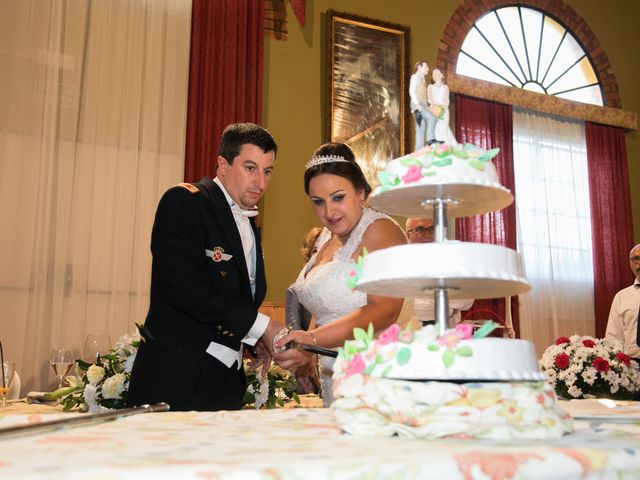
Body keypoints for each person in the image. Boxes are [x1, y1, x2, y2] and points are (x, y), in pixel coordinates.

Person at [127, 123, 283, 411]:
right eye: (250, 168)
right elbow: (185, 289)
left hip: (225, 384)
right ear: (223, 165)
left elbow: (233, 299)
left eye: (267, 171)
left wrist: (251, 339)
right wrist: (261, 327)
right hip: (176, 381)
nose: (260, 182)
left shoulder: (248, 221)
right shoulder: (184, 202)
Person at [274, 142, 407, 405]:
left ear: (361, 192)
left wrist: (311, 339)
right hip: (332, 372)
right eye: (318, 202)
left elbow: (384, 310)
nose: (329, 212)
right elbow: (324, 307)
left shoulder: (381, 231)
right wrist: (307, 351)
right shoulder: (326, 237)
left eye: (338, 197)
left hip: (374, 372)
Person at [405, 217, 473, 326]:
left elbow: (466, 300)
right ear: (407, 235)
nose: (427, 234)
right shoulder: (400, 261)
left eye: (432, 229)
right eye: (419, 229)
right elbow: (401, 304)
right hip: (409, 330)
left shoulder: (454, 259)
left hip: (445, 329)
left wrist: (420, 299)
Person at [605, 243, 640, 362]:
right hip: (632, 365)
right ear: (631, 264)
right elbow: (613, 338)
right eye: (636, 259)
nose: (639, 263)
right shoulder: (621, 297)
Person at [427, 68, 459, 147]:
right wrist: (434, 106)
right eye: (433, 74)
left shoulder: (445, 87)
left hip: (444, 109)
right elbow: (429, 99)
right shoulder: (430, 87)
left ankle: (445, 146)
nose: (434, 75)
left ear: (441, 75)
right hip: (434, 108)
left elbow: (447, 101)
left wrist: (442, 107)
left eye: (436, 73)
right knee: (435, 128)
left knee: (443, 128)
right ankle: (436, 147)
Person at [409, 60, 437, 150]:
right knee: (432, 118)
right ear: (419, 67)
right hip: (417, 104)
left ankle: (419, 150)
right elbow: (412, 91)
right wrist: (417, 104)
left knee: (421, 127)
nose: (428, 69)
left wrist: (426, 105)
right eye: (426, 67)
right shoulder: (415, 77)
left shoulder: (422, 79)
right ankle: (430, 144)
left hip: (422, 104)